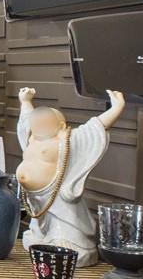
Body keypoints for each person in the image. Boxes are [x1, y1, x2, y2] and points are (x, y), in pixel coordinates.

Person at [15, 86, 127, 265]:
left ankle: (67, 241)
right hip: (35, 199)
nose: (39, 124)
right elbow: (25, 120)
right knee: (39, 228)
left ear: (61, 126)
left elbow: (94, 127)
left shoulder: (65, 140)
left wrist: (116, 108)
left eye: (46, 121)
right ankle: (43, 237)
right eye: (37, 121)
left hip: (57, 194)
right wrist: (26, 101)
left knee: (64, 232)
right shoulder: (31, 137)